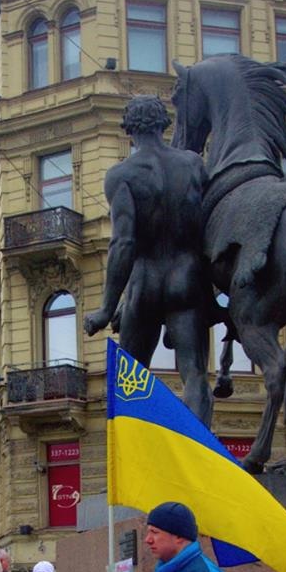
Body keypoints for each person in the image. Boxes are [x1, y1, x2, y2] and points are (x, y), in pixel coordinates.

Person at [84, 94, 221, 427]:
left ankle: (135, 464)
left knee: (129, 378)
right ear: (164, 124)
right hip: (185, 278)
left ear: (128, 129)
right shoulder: (192, 164)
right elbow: (209, 224)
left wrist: (106, 307)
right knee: (194, 374)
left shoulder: (122, 175)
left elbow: (124, 242)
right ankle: (197, 457)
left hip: (144, 283)